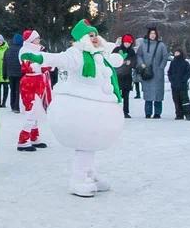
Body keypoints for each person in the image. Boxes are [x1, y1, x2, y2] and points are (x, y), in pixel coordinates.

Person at [25, 20, 124, 198]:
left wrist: (121, 57)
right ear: (83, 39)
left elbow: (113, 60)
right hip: (81, 109)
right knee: (85, 144)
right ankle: (78, 179)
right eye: (90, 35)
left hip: (99, 106)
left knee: (91, 144)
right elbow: (59, 59)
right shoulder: (77, 55)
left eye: (95, 35)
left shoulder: (99, 55)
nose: (94, 38)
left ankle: (90, 175)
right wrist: (40, 58)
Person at [16, 29, 52, 151]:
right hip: (29, 83)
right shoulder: (24, 51)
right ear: (31, 40)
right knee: (31, 111)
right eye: (37, 38)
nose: (39, 40)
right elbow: (29, 67)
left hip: (38, 82)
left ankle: (34, 137)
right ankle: (23, 140)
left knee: (37, 110)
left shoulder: (37, 50)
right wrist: (44, 67)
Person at [135, 27, 168, 119]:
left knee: (158, 93)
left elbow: (165, 56)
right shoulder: (143, 44)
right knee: (148, 92)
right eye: (151, 33)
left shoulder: (161, 45)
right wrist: (141, 64)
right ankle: (148, 113)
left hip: (158, 73)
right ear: (148, 34)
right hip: (146, 72)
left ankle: (157, 113)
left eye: (154, 33)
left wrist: (161, 67)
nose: (152, 35)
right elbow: (139, 55)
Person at [113, 35, 136, 118]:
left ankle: (125, 111)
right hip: (117, 75)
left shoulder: (131, 51)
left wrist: (131, 63)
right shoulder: (117, 50)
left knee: (126, 95)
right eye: (126, 42)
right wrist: (120, 62)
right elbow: (112, 59)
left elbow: (134, 62)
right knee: (116, 94)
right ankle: (114, 111)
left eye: (129, 43)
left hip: (127, 75)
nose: (127, 44)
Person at [167, 48, 190, 120]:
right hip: (174, 85)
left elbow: (189, 72)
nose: (176, 54)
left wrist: (184, 80)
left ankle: (188, 114)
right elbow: (169, 72)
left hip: (183, 85)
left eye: (178, 52)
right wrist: (171, 79)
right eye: (175, 53)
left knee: (185, 100)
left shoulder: (185, 63)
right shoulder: (172, 63)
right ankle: (179, 114)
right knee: (176, 100)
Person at [3, 33, 23, 113]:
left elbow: (4, 63)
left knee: (12, 89)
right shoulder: (22, 50)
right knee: (18, 90)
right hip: (19, 73)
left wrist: (4, 74)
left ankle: (12, 105)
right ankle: (17, 107)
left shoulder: (7, 50)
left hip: (10, 74)